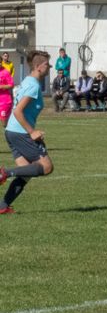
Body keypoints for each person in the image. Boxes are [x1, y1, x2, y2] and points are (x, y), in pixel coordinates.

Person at [0, 50, 55, 214]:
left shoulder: (28, 81)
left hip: (11, 131)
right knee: (46, 167)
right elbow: (18, 111)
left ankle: (2, 206)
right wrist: (32, 132)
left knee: (25, 173)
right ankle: (4, 173)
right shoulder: (32, 85)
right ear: (39, 67)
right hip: (21, 132)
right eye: (47, 65)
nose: (49, 68)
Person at [0, 59, 13, 128]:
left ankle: (10, 135)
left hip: (4, 100)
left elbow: (11, 85)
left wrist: (1, 86)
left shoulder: (5, 72)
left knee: (4, 123)